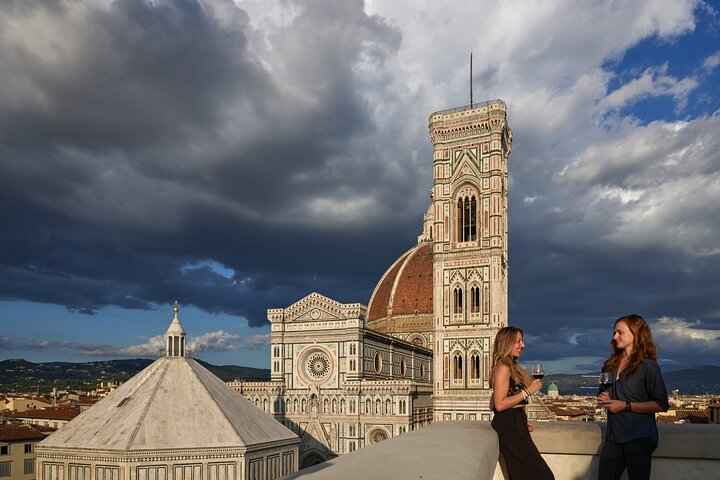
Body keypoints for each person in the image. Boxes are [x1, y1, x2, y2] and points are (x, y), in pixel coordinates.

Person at [598, 314, 669, 480]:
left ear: (636, 333)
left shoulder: (648, 366)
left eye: (620, 332)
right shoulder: (610, 364)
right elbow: (602, 392)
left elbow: (661, 404)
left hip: (639, 436)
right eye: (614, 332)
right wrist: (602, 397)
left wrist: (625, 405)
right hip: (614, 435)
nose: (615, 337)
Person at [490, 326, 554, 480]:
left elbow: (492, 403)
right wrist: (527, 392)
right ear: (507, 343)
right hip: (509, 426)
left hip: (516, 422)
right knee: (544, 476)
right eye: (518, 341)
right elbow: (498, 405)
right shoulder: (503, 368)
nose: (523, 345)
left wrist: (520, 420)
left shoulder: (510, 367)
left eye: (522, 341)